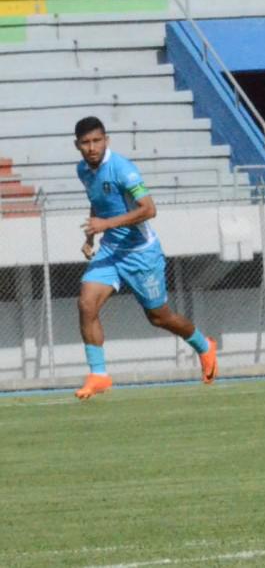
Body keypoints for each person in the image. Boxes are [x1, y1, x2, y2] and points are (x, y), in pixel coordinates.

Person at [72, 117, 218, 398]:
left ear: (107, 140)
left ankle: (204, 346)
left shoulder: (123, 169)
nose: (92, 147)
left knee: (159, 317)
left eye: (97, 141)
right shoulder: (83, 170)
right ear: (77, 146)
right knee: (86, 303)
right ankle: (99, 375)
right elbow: (97, 201)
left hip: (141, 252)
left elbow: (149, 210)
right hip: (112, 250)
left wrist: (107, 225)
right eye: (86, 143)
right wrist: (91, 237)